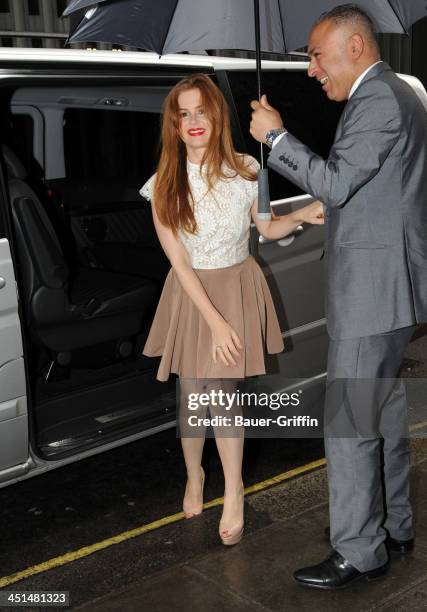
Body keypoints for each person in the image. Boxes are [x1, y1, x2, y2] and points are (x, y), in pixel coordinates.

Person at [250, 3, 427, 590]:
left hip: (373, 294)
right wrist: (301, 216)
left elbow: (336, 181)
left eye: (314, 55)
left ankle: (359, 550)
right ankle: (393, 526)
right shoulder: (397, 95)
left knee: (350, 426)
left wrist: (273, 136)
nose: (310, 69)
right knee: (382, 415)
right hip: (391, 290)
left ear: (355, 47)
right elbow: (368, 195)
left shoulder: (377, 99)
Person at [139, 73, 324, 546]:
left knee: (221, 397)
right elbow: (179, 262)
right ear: (174, 125)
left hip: (237, 283)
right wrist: (215, 324)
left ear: (216, 115)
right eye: (184, 113)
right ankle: (195, 475)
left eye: (202, 110)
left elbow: (267, 228)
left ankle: (235, 490)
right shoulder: (164, 183)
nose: (194, 120)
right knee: (191, 395)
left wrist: (300, 216)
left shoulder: (248, 170)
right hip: (192, 292)